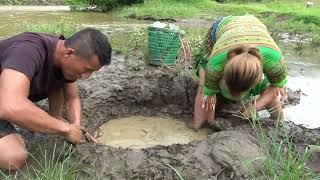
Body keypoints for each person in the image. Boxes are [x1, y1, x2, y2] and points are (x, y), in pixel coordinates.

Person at [0, 28, 112, 170]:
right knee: (13, 158)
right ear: (69, 53)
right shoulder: (27, 50)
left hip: (6, 96)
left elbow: (72, 98)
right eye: (87, 69)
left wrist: (75, 126)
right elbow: (11, 106)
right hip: (6, 102)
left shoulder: (62, 55)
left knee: (59, 83)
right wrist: (67, 130)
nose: (86, 76)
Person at [189, 15, 288, 130]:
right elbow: (206, 92)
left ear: (258, 80)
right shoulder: (215, 64)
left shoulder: (275, 61)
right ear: (224, 73)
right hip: (225, 26)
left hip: (255, 26)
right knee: (204, 86)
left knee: (270, 88)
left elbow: (275, 89)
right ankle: (199, 125)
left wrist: (253, 108)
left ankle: (280, 125)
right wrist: (209, 123)